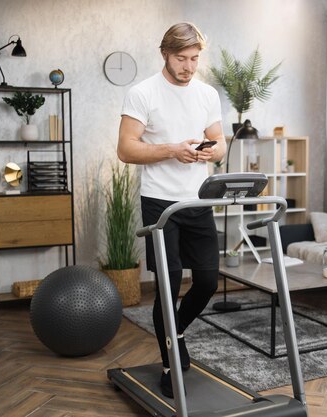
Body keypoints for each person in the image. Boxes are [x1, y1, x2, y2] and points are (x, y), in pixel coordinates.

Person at [117, 22, 226, 398]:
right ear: (165, 53)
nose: (189, 67)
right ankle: (169, 364)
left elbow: (221, 140)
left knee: (209, 281)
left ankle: (174, 333)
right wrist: (170, 149)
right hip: (161, 204)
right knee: (169, 286)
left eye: (195, 59)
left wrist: (214, 150)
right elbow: (126, 149)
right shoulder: (142, 93)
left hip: (199, 200)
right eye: (182, 58)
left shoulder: (207, 94)